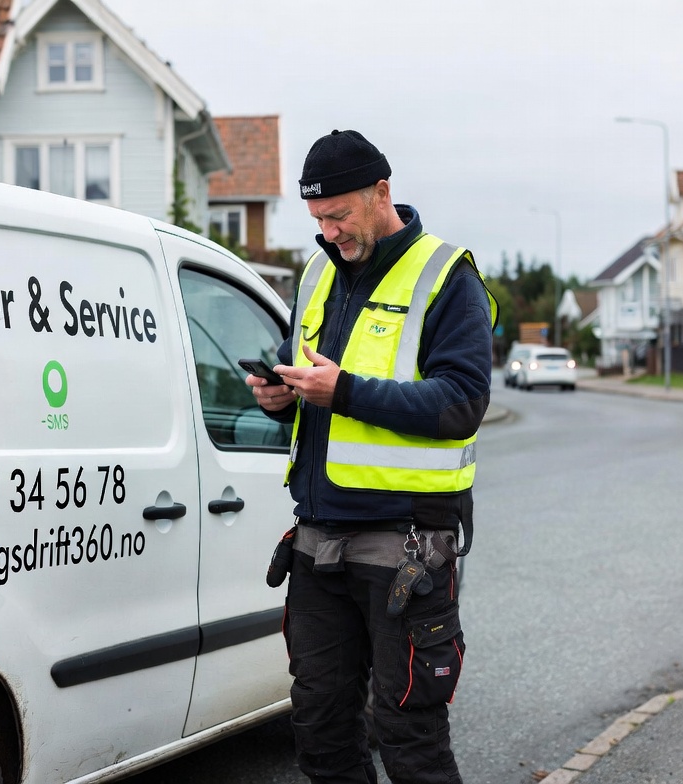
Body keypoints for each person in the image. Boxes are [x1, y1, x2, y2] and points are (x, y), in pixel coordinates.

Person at [247, 129, 497, 784]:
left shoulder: (447, 276)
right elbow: (310, 385)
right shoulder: (318, 273)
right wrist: (280, 398)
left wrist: (346, 392)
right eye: (317, 220)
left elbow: (462, 402)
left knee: (409, 738)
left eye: (338, 215)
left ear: (381, 193)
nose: (328, 233)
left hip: (406, 547)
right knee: (321, 732)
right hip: (318, 542)